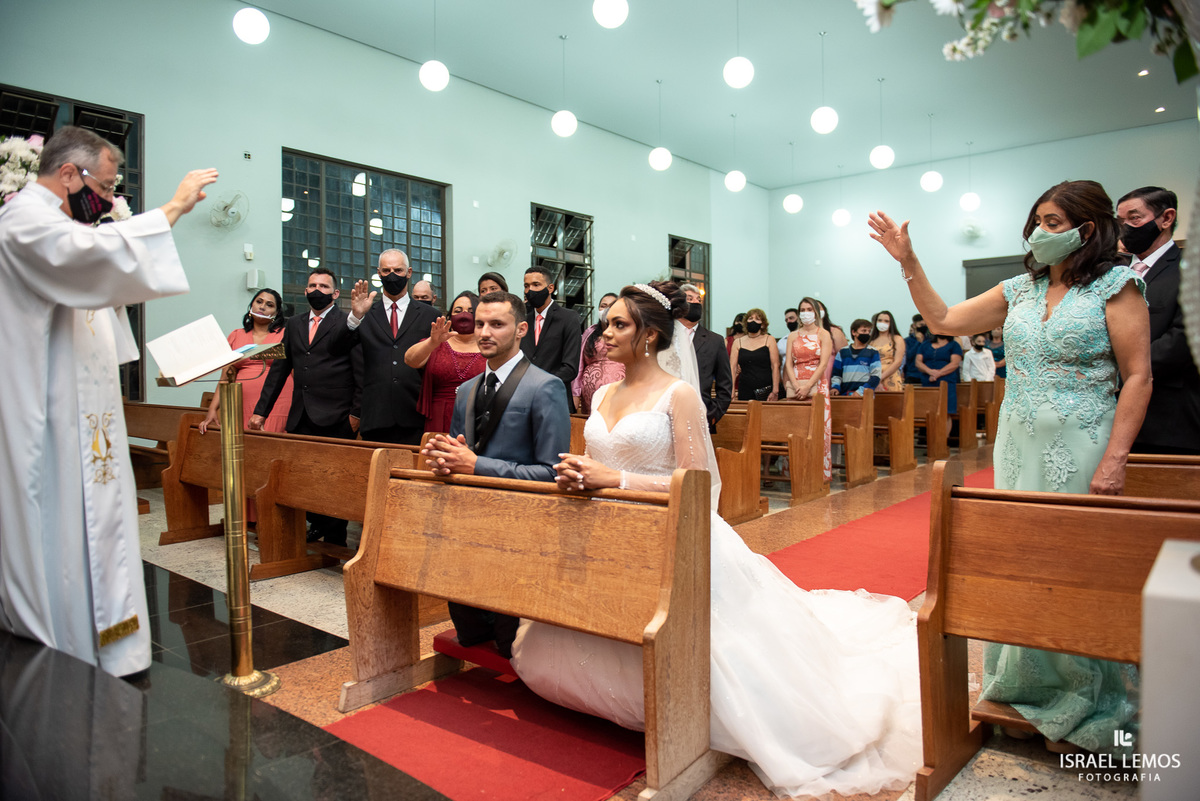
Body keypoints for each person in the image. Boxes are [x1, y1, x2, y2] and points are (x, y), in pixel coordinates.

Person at [511, 281, 921, 798]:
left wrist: (613, 481)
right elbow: (602, 460)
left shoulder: (679, 394)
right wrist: (580, 474)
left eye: (619, 325)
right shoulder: (605, 392)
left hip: (670, 532)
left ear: (650, 335)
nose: (604, 333)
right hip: (608, 534)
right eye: (606, 323)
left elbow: (697, 484)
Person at [869, 179, 1152, 754]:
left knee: (1072, 566)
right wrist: (910, 261)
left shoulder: (1117, 287)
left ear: (1087, 228)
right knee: (1020, 559)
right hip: (1017, 444)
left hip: (1084, 444)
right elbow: (945, 318)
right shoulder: (1018, 290)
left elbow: (1139, 375)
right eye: (1037, 222)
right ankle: (1024, 686)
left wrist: (1116, 459)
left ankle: (1088, 693)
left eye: (1052, 222)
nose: (1039, 233)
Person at [0, 124, 217, 676]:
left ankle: (109, 638)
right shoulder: (25, 218)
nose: (110, 197)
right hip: (49, 418)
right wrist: (171, 208)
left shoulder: (60, 222)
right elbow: (85, 259)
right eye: (105, 184)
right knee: (66, 525)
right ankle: (66, 643)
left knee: (101, 523)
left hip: (86, 413)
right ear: (68, 173)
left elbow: (94, 277)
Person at [421, 291, 570, 657]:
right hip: (470, 522)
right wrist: (444, 461)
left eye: (497, 324)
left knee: (508, 646)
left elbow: (553, 473)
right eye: (481, 323)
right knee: (469, 633)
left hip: (519, 527)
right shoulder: (467, 389)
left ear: (521, 329)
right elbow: (462, 451)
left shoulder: (545, 386)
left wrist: (476, 465)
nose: (484, 332)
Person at [251, 267, 363, 546]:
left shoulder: (346, 322)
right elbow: (279, 369)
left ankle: (335, 535)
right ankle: (318, 524)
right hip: (301, 414)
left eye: (324, 287)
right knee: (305, 477)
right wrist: (260, 411)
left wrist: (355, 414)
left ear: (335, 293)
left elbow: (361, 372)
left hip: (337, 416)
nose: (317, 291)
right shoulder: (294, 323)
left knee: (334, 478)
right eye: (312, 285)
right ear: (305, 290)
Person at [1116, 186, 1200, 454]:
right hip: (1110, 417)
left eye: (1135, 218)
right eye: (1121, 222)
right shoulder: (1114, 273)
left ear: (1166, 218)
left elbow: (1182, 339)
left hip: (1166, 420)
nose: (1126, 227)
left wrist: (1118, 372)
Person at [343, 249, 441, 444]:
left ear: (409, 272)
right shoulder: (366, 312)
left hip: (416, 412)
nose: (392, 276)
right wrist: (356, 317)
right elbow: (339, 349)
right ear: (378, 273)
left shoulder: (429, 315)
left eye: (398, 270)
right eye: (386, 271)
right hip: (375, 413)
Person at [199, 289, 291, 435]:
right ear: (251, 306)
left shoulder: (286, 335)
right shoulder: (236, 336)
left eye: (269, 305)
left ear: (276, 313)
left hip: (277, 403)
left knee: (271, 447)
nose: (262, 307)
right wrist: (212, 409)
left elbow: (296, 372)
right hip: (241, 403)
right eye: (259, 302)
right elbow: (225, 378)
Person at [405, 291, 485, 434]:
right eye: (458, 311)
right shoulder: (437, 343)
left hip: (477, 415)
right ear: (449, 317)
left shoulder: (489, 346)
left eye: (471, 311)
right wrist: (432, 342)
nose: (464, 315)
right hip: (439, 416)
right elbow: (410, 360)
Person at [782, 297, 832, 482]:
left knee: (817, 428)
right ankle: (796, 473)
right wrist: (796, 386)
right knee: (796, 429)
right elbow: (787, 363)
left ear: (816, 312)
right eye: (802, 309)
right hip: (796, 383)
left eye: (809, 309)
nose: (805, 312)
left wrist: (808, 386)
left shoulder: (823, 334)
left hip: (817, 384)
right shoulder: (793, 336)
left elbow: (823, 362)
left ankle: (818, 473)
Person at [520, 266, 582, 412]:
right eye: (526, 286)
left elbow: (570, 368)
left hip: (555, 399)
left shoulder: (568, 318)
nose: (530, 291)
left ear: (550, 288)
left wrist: (540, 385)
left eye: (536, 285)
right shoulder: (522, 321)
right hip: (524, 401)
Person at [680, 283, 733, 432]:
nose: (696, 302)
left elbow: (725, 383)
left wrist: (713, 414)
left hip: (701, 415)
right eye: (690, 299)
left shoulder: (714, 340)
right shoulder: (665, 337)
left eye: (699, 300)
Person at [572, 292, 623, 415]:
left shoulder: (625, 332)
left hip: (620, 391)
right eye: (603, 305)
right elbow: (579, 365)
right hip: (590, 397)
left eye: (611, 305)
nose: (606, 309)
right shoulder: (590, 332)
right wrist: (575, 394)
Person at [729, 308, 780, 401]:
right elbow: (733, 368)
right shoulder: (738, 342)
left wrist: (775, 390)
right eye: (750, 318)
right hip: (745, 388)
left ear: (763, 324)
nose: (753, 321)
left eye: (757, 319)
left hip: (765, 389)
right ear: (746, 322)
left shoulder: (769, 339)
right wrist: (731, 389)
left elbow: (775, 366)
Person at [830, 319, 882, 397]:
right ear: (854, 332)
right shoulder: (843, 352)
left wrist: (860, 392)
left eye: (869, 331)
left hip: (865, 397)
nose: (867, 333)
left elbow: (875, 377)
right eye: (864, 331)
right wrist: (835, 387)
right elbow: (836, 374)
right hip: (845, 396)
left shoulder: (873, 352)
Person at [914, 331, 962, 413]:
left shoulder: (954, 345)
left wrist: (938, 373)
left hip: (947, 383)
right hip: (928, 381)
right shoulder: (925, 344)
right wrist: (930, 372)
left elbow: (954, 363)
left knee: (946, 412)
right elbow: (918, 362)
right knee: (928, 411)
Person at [869, 310, 906, 391]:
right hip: (872, 377)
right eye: (880, 320)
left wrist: (880, 378)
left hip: (890, 376)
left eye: (886, 321)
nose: (882, 323)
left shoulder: (897, 339)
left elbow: (898, 362)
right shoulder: (871, 341)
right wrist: (875, 379)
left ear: (891, 323)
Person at [903, 314, 927, 384]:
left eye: (926, 325)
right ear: (914, 325)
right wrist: (918, 342)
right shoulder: (907, 341)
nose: (924, 327)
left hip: (927, 375)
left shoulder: (930, 340)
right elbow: (908, 356)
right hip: (912, 375)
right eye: (921, 325)